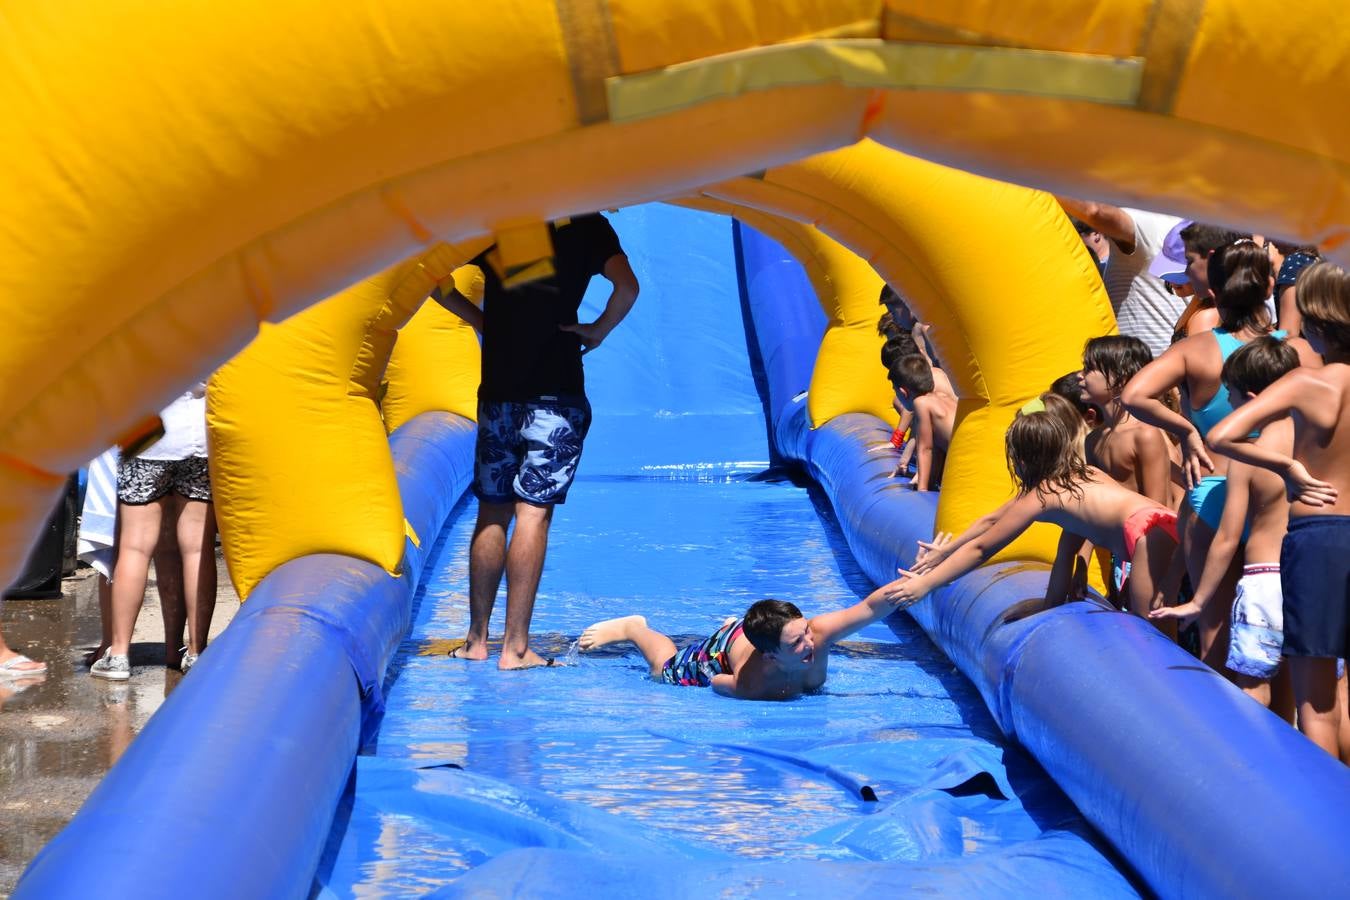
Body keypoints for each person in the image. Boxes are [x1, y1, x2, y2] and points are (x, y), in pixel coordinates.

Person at [433, 213, 639, 669]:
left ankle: (475, 641)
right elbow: (627, 288)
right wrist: (598, 330)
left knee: (492, 511)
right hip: (556, 393)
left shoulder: (503, 221)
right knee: (533, 514)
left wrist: (484, 320)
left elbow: (433, 276)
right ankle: (516, 648)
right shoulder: (588, 225)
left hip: (500, 391)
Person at [1121, 240, 1317, 669]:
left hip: (1212, 493)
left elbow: (1134, 394)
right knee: (1280, 636)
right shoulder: (1297, 351)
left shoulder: (1196, 349)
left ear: (1214, 288)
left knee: (1214, 632)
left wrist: (1187, 431)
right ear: (1269, 284)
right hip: (1277, 498)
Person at [1202, 261, 1350, 759]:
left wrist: (1287, 466)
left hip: (1320, 539)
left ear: (1315, 323)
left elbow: (1221, 435)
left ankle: (1328, 818)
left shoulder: (1309, 384)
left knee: (1317, 704)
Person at [898, 410, 1178, 617]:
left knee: (1149, 634)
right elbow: (1065, 554)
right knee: (1170, 635)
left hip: (1147, 534)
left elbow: (982, 548)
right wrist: (1048, 607)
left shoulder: (1042, 495)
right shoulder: (1083, 477)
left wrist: (925, 585)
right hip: (1169, 524)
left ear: (1020, 460)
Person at [1150, 337, 1299, 719]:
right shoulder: (1313, 445)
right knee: (1310, 696)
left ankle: (1249, 774)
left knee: (1252, 686)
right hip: (1308, 575)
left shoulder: (1248, 458)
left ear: (1251, 398)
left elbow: (1227, 538)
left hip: (1265, 580)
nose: (1226, 405)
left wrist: (1198, 600)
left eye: (1229, 394)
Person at [91, 384, 217, 681]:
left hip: (147, 434)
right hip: (199, 436)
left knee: (135, 547)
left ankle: (119, 654)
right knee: (198, 548)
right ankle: (197, 651)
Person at [578, 590, 909, 700]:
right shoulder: (752, 683)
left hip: (754, 634)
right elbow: (716, 681)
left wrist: (920, 580)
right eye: (797, 642)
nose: (811, 643)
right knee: (664, 670)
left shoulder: (817, 635)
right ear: (770, 657)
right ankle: (634, 628)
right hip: (721, 654)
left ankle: (736, 625)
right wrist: (717, 667)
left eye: (806, 631)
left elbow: (869, 608)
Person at [1056, 199, 1184, 359]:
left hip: (1147, 366)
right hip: (1173, 362)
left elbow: (1094, 212)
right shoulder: (1191, 226)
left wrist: (1035, 179)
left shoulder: (1148, 222)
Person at [889, 355, 957, 492]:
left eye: (894, 390)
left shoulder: (921, 403)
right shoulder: (943, 398)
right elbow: (936, 451)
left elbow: (925, 449)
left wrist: (922, 490)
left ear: (903, 392)